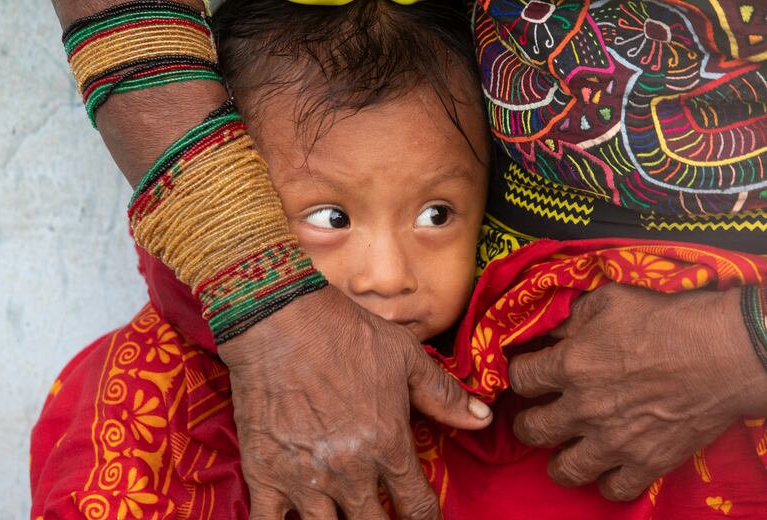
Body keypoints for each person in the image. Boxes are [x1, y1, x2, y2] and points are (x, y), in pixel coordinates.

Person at [43, 0, 767, 517]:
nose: (386, 275)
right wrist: (273, 312)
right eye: (331, 219)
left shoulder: (549, 397)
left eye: (436, 216)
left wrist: (747, 341)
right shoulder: (144, 416)